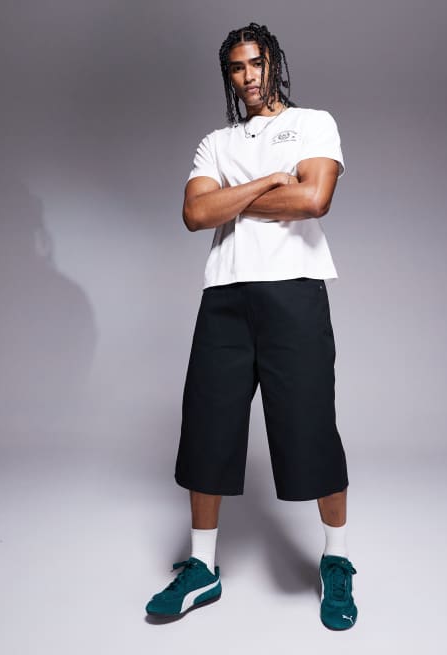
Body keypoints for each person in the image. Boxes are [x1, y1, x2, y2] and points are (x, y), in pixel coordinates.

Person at [145, 22, 358, 630]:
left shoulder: (313, 124)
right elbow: (194, 213)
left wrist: (231, 199)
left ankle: (336, 560)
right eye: (237, 67)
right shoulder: (215, 142)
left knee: (311, 428)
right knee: (207, 427)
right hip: (225, 296)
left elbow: (314, 200)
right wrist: (267, 181)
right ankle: (202, 568)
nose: (249, 76)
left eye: (257, 63)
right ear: (229, 76)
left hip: (295, 292)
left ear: (274, 63)